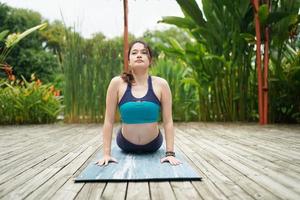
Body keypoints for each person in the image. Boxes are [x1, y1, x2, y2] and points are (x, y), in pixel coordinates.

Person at [96, 40, 181, 166]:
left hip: (154, 144)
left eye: (144, 52)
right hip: (125, 144)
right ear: (129, 61)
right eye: (134, 52)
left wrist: (170, 153)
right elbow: (108, 121)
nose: (139, 55)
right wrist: (106, 154)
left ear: (150, 60)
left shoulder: (161, 84)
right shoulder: (117, 83)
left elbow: (168, 121)